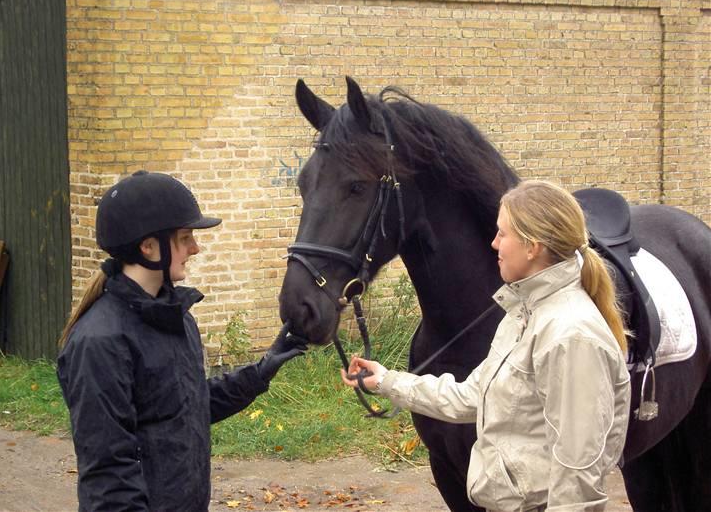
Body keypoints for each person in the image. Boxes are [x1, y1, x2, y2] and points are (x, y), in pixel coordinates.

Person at [342, 180, 632, 512]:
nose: (494, 244)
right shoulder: (523, 314)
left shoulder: (571, 336)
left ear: (532, 246)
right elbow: (471, 397)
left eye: (502, 234)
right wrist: (385, 381)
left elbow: (578, 477)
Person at [57, 170, 307, 512]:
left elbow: (187, 409)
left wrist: (260, 373)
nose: (195, 248)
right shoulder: (100, 341)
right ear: (148, 247)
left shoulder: (176, 316)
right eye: (185, 237)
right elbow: (108, 473)